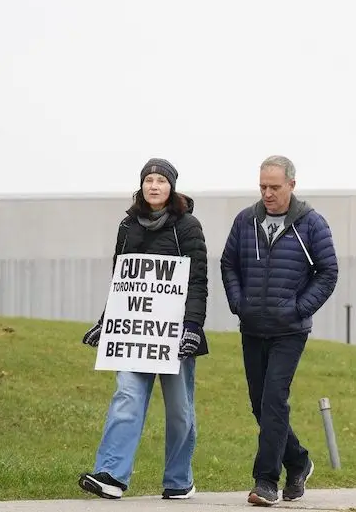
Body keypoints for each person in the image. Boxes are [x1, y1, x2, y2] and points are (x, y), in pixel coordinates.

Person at [78, 158, 209, 501]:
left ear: (171, 188)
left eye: (161, 181)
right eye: (149, 180)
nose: (154, 186)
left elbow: (197, 282)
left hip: (176, 335)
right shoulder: (127, 226)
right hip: (135, 335)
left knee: (180, 412)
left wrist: (193, 327)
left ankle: (179, 480)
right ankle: (111, 474)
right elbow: (122, 282)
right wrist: (107, 323)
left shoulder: (188, 227)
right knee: (126, 397)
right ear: (141, 185)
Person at [220, 155, 338, 506]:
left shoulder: (312, 224)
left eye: (274, 187)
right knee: (259, 405)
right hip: (252, 327)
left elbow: (328, 273)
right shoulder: (246, 221)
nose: (267, 193)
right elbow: (229, 264)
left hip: (289, 331)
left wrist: (298, 309)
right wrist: (239, 303)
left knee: (274, 399)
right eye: (262, 187)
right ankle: (299, 461)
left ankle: (266, 481)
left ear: (291, 185)